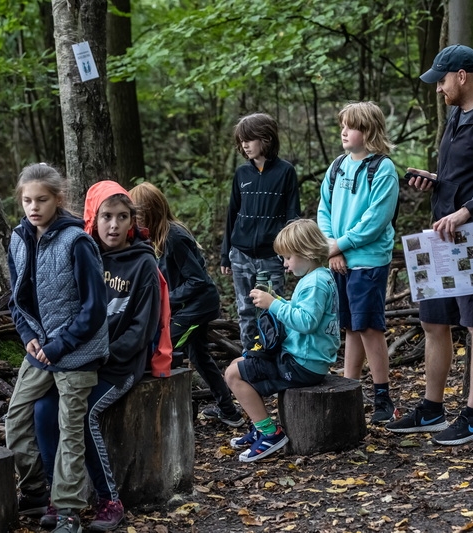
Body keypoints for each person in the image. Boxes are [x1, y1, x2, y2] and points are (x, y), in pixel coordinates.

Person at [385, 44, 473, 445]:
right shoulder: (455, 116)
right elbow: (467, 173)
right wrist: (437, 181)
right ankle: (432, 409)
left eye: (441, 80)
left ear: (461, 76)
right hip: (442, 239)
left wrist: (466, 211)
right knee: (433, 321)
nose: (437, 88)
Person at [33, 180, 161, 531]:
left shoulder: (143, 264)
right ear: (93, 217)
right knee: (43, 408)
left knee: (84, 413)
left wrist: (104, 357)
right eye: (107, 216)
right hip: (78, 361)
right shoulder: (83, 251)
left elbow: (142, 329)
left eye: (122, 217)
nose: (114, 225)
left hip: (120, 365)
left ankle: (109, 499)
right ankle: (57, 494)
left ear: (132, 221)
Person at [5, 163, 109, 533]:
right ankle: (35, 492)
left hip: (77, 351)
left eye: (42, 200)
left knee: (69, 429)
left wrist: (61, 343)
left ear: (58, 199)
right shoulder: (18, 238)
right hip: (40, 348)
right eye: (27, 200)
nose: (34, 208)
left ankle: (67, 511)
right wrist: (26, 336)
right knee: (15, 420)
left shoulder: (77, 241)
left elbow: (95, 307)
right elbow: (15, 300)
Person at [129, 181, 244, 427]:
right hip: (187, 307)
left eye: (136, 213)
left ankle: (173, 414)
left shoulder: (174, 237)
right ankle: (229, 411)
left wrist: (165, 299)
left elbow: (198, 281)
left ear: (151, 210)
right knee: (199, 357)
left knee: (165, 351)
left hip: (197, 308)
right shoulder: (153, 238)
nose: (133, 219)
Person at [224, 219, 340, 462]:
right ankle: (259, 427)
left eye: (288, 258)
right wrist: (280, 301)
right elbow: (304, 314)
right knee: (239, 361)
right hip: (303, 358)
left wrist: (274, 304)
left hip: (302, 364)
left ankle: (270, 433)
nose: (285, 265)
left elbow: (306, 323)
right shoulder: (318, 276)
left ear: (306, 253)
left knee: (233, 375)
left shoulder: (316, 282)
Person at [316, 101, 399, 424]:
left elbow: (375, 219)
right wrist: (331, 249)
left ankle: (383, 397)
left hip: (368, 260)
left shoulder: (383, 169)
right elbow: (323, 209)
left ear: (368, 131)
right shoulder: (337, 166)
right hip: (338, 258)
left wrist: (342, 246)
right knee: (350, 326)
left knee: (368, 327)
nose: (344, 132)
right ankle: (349, 391)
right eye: (343, 126)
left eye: (351, 126)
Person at [220, 112, 301, 354]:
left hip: (271, 256)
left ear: (266, 139)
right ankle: (249, 355)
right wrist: (226, 254)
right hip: (241, 255)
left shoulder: (286, 172)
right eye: (241, 140)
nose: (245, 145)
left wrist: (289, 254)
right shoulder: (241, 174)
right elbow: (232, 213)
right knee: (245, 309)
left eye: (250, 139)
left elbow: (292, 216)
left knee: (272, 309)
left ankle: (272, 354)